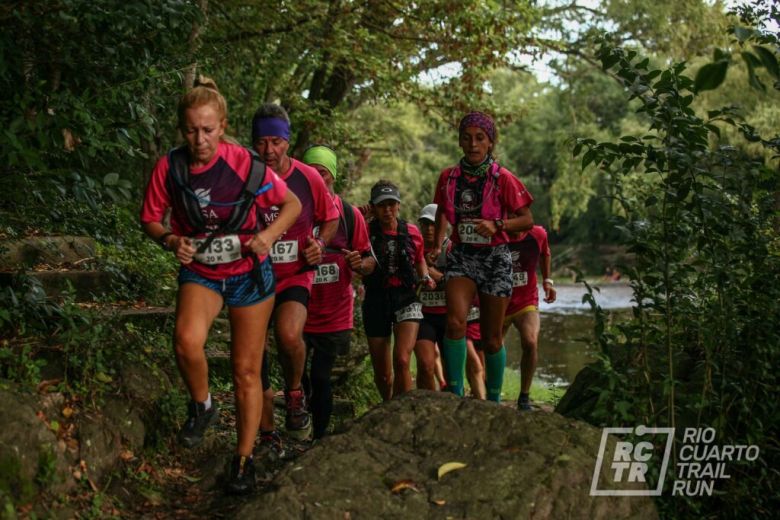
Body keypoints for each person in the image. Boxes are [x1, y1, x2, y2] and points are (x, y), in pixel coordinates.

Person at [140, 77, 301, 494]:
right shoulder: (170, 167)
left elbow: (291, 204)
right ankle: (203, 404)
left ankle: (243, 461)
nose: (200, 139)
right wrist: (171, 239)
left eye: (208, 130)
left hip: (249, 275)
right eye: (192, 129)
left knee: (247, 371)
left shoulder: (246, 165)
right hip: (204, 271)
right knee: (186, 340)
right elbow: (150, 218)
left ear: (223, 126)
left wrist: (268, 237)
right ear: (182, 128)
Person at [430, 111, 534, 402]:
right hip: (462, 254)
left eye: (480, 138)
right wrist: (438, 245)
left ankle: (494, 400)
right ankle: (453, 392)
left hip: (495, 258)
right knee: (454, 323)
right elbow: (440, 213)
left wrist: (498, 225)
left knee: (491, 339)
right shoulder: (448, 177)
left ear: (490, 143)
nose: (473, 144)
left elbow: (527, 220)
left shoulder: (504, 179)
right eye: (467, 138)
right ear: (460, 141)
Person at [251, 104, 340, 441]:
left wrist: (319, 241)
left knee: (289, 336)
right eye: (262, 142)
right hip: (254, 278)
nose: (269, 150)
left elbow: (330, 218)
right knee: (254, 355)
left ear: (287, 142)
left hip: (295, 275)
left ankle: (294, 394)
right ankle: (267, 433)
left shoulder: (308, 177)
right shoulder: (246, 176)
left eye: (277, 141)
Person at [300, 145, 375, 439]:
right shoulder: (291, 212)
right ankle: (301, 420)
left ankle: (318, 437)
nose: (318, 181)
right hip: (298, 308)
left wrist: (360, 263)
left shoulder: (348, 214)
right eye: (311, 175)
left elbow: (369, 261)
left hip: (334, 313)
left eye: (323, 175)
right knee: (298, 376)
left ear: (332, 178)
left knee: (320, 376)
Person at [363, 180, 436, 400]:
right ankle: (388, 406)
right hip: (376, 299)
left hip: (406, 297)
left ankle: (403, 409)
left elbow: (419, 259)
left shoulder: (412, 232)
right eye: (382, 205)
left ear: (398, 205)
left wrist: (424, 275)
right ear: (373, 207)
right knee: (383, 374)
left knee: (403, 360)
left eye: (391, 204)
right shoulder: (364, 231)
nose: (387, 210)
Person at [503, 224, 556, 410]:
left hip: (526, 301)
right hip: (497, 300)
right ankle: (489, 392)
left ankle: (524, 396)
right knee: (490, 347)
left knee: (531, 341)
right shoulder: (496, 233)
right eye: (510, 217)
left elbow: (545, 253)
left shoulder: (538, 234)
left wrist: (547, 281)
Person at [415, 203, 448, 391]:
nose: (429, 229)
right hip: (422, 316)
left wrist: (438, 277)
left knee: (452, 371)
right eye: (425, 224)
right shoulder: (414, 247)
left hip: (448, 315)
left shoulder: (451, 248)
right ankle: (426, 406)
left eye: (434, 224)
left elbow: (462, 284)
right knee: (426, 366)